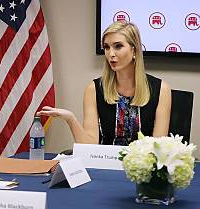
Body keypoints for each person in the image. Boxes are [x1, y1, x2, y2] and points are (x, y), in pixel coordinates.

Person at [38, 21, 171, 146]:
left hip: (143, 167)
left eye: (118, 46)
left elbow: (158, 149)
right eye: (107, 47)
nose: (110, 54)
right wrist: (71, 119)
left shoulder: (160, 89)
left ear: (134, 50)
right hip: (104, 165)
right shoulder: (94, 89)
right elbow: (89, 145)